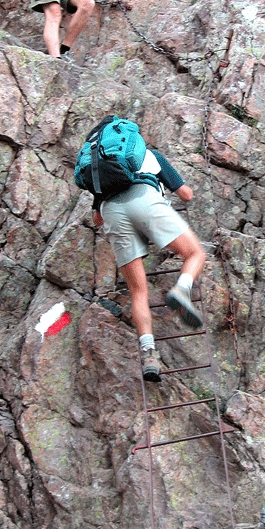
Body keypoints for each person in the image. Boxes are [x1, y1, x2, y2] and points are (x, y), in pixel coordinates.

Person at [91, 137, 206, 383]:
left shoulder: (100, 171)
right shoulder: (149, 155)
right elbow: (186, 195)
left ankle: (149, 354)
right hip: (146, 200)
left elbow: (96, 219)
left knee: (138, 292)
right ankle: (181, 290)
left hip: (111, 211)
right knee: (195, 253)